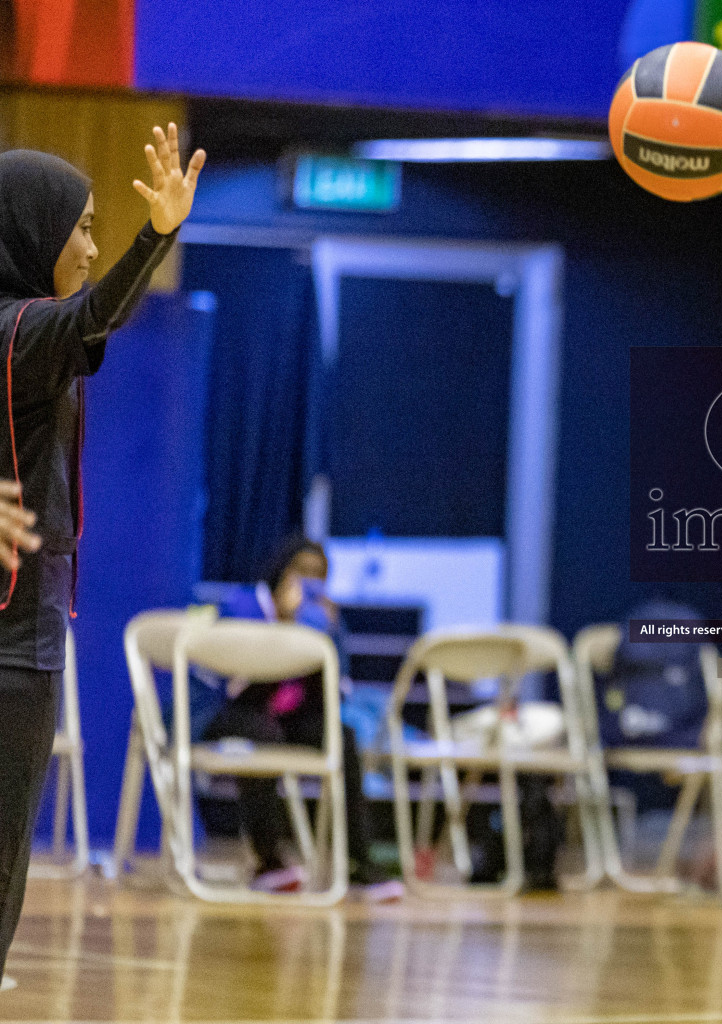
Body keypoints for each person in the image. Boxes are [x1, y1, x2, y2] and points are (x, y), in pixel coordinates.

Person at [0, 129, 203, 982]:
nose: (88, 246)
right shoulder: (20, 328)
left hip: (28, 643)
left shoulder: (25, 336)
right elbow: (89, 314)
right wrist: (154, 237)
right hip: (11, 652)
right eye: (80, 228)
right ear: (32, 232)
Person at [204, 534, 403, 900]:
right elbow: (226, 683)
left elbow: (334, 692)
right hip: (235, 713)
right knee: (259, 734)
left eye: (319, 574)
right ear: (282, 570)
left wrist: (323, 636)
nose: (309, 581)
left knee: (340, 736)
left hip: (289, 718)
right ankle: (269, 860)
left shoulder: (324, 618)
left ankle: (358, 861)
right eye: (302, 570)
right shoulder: (243, 605)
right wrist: (282, 624)